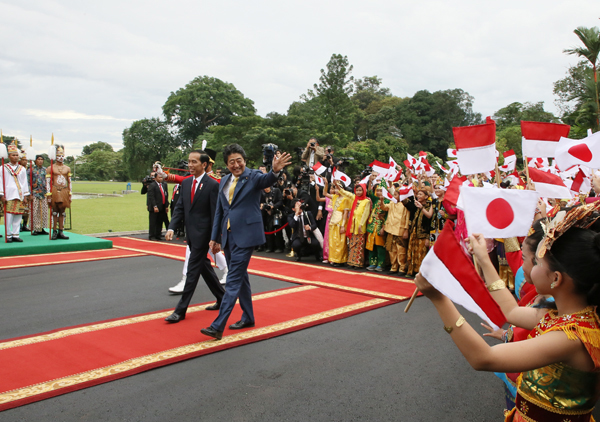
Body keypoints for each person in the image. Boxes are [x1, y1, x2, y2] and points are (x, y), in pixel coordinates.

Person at [415, 202, 600, 422]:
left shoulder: (569, 338)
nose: (529, 267)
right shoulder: (571, 316)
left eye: (537, 262)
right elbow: (511, 311)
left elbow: (483, 358)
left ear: (556, 278)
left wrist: (439, 299)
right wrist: (483, 257)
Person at [203, 144, 292, 340]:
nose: (236, 165)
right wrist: (215, 237)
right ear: (226, 164)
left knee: (233, 279)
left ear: (244, 160)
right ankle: (248, 317)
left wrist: (275, 170)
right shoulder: (224, 180)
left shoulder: (253, 176)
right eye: (231, 162)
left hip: (247, 235)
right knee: (241, 278)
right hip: (228, 235)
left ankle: (218, 325)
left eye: (239, 160)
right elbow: (220, 210)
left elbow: (267, 179)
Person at [163, 150, 224, 323]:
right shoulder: (187, 183)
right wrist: (172, 227)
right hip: (191, 235)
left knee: (192, 272)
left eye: (194, 162)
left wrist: (216, 238)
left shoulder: (213, 185)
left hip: (204, 236)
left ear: (204, 164)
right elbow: (180, 207)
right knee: (204, 267)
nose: (190, 165)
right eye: (189, 162)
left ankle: (180, 310)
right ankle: (223, 297)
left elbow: (216, 214)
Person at [0, 142, 30, 242]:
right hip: (8, 194)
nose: (16, 157)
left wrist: (25, 196)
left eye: (17, 155)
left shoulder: (22, 169)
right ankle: (8, 235)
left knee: (18, 214)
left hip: (19, 195)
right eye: (13, 155)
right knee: (9, 215)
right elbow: (0, 182)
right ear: (9, 156)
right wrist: (1, 195)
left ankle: (16, 234)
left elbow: (24, 182)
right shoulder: (3, 168)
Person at [338, 181, 371, 269]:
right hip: (352, 225)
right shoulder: (354, 198)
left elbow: (365, 214)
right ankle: (351, 262)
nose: (359, 192)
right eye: (357, 190)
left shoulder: (366, 201)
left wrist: (361, 224)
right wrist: (338, 187)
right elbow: (346, 193)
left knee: (359, 245)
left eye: (360, 190)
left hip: (360, 226)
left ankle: (358, 263)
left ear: (364, 191)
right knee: (352, 244)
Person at [46, 145, 71, 240]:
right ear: (55, 157)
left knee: (63, 211)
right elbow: (48, 182)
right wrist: (49, 194)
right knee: (54, 211)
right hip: (55, 190)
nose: (61, 158)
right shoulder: (50, 168)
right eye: (59, 156)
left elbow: (69, 181)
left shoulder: (67, 168)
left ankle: (61, 230)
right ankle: (54, 231)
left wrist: (70, 194)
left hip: (64, 190)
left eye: (62, 156)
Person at [323, 178, 349, 266]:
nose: (337, 190)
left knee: (340, 242)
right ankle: (333, 259)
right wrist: (326, 184)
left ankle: (340, 260)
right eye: (336, 188)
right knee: (333, 241)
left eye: (338, 188)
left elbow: (345, 213)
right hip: (333, 221)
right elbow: (325, 193)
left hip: (341, 221)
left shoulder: (346, 199)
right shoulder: (335, 197)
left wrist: (343, 225)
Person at [365, 179, 389, 272]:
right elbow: (369, 192)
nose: (379, 193)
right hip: (372, 227)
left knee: (380, 247)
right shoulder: (375, 199)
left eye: (381, 191)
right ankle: (372, 263)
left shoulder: (387, 201)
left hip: (380, 227)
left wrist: (383, 227)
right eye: (377, 191)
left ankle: (380, 264)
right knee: (371, 246)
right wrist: (370, 182)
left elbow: (387, 216)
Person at [146, 172, 169, 241]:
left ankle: (158, 234)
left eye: (162, 177)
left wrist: (166, 206)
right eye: (159, 177)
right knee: (153, 221)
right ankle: (152, 235)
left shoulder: (164, 185)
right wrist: (154, 206)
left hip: (162, 205)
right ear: (155, 178)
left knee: (160, 221)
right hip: (155, 206)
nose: (161, 179)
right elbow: (151, 196)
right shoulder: (152, 185)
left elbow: (166, 195)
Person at [30, 155, 49, 236]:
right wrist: (29, 193)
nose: (40, 161)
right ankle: (35, 228)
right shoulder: (31, 170)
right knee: (35, 211)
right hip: (35, 192)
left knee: (44, 211)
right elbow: (28, 182)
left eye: (42, 159)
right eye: (39, 159)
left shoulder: (46, 170)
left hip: (43, 193)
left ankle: (42, 228)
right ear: (35, 160)